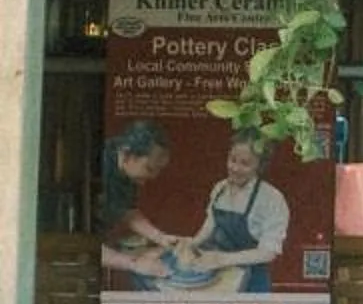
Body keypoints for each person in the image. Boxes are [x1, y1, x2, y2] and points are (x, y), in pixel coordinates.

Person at [184, 134, 291, 293]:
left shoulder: (271, 199)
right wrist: (192, 243)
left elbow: (269, 252)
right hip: (219, 274)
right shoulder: (220, 188)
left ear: (260, 166)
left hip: (252, 281)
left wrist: (222, 259)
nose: (235, 168)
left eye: (245, 164)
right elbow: (211, 223)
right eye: (232, 160)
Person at [100, 121, 175, 278]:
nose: (153, 176)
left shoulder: (128, 171)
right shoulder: (97, 170)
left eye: (158, 170)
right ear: (127, 155)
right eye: (149, 168)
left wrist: (160, 237)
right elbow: (81, 242)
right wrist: (133, 263)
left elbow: (128, 212)